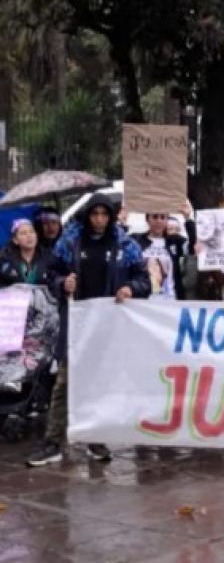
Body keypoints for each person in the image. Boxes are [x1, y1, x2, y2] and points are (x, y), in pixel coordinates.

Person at [26, 194, 149, 467]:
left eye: (105, 215)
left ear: (111, 216)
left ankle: (95, 439)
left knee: (98, 384)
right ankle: (53, 441)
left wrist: (131, 289)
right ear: (87, 215)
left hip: (108, 326)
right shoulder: (70, 241)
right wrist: (62, 283)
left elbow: (143, 279)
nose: (99, 220)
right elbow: (50, 273)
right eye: (95, 215)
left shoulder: (124, 244)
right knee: (64, 383)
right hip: (76, 323)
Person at [131, 200, 196, 300]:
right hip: (142, 303)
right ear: (148, 219)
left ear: (167, 220)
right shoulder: (136, 240)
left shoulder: (175, 241)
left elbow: (193, 246)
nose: (159, 221)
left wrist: (188, 218)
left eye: (162, 217)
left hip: (170, 302)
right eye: (155, 217)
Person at [0, 219, 53, 287]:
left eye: (31, 231)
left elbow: (55, 279)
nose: (29, 236)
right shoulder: (5, 260)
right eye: (23, 233)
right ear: (15, 240)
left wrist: (62, 283)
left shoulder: (48, 257)